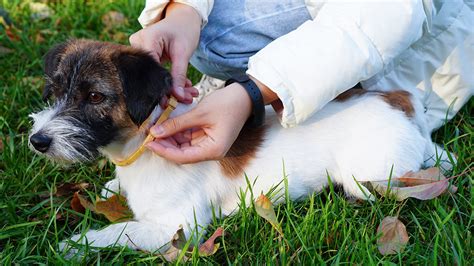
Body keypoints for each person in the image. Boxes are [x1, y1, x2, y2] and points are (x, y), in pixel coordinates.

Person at [130, 0, 473, 164]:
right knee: (206, 26)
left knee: (215, 39)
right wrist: (183, 12)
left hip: (411, 42)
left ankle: (266, 88)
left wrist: (253, 92)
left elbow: (392, 10)